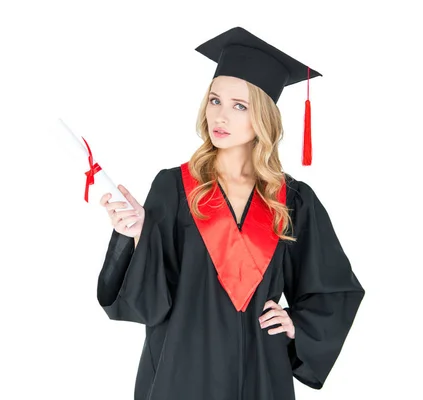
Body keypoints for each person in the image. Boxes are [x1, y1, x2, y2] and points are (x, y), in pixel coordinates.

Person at [96, 26, 365, 400]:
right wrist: (140, 234)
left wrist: (297, 325)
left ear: (265, 118)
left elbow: (332, 288)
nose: (220, 116)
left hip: (260, 366)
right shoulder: (174, 187)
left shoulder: (292, 200)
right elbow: (150, 300)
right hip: (182, 366)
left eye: (240, 106)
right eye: (215, 101)